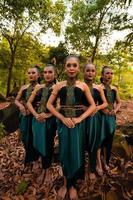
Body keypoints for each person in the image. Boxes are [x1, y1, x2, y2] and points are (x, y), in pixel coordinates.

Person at [47, 55, 96, 200]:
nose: (72, 68)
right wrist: (61, 117)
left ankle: (73, 185)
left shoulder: (83, 85)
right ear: (65, 67)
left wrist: (80, 118)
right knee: (64, 151)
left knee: (77, 151)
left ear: (79, 67)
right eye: (69, 65)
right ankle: (65, 183)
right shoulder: (59, 85)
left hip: (78, 124)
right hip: (63, 123)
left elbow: (93, 105)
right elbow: (49, 104)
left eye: (75, 65)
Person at [27, 64, 57, 184]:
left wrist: (49, 115)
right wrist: (35, 115)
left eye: (50, 72)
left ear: (54, 74)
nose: (47, 75)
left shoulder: (57, 87)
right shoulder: (38, 87)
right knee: (37, 142)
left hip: (50, 121)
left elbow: (59, 106)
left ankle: (47, 170)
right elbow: (29, 103)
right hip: (37, 120)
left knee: (48, 144)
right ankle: (40, 164)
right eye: (45, 72)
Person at [83, 62, 107, 180]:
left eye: (92, 70)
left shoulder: (99, 87)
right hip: (81, 118)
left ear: (96, 73)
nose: (90, 73)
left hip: (94, 118)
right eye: (88, 70)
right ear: (83, 72)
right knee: (81, 143)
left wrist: (96, 108)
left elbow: (105, 103)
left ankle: (92, 168)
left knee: (94, 143)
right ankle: (80, 169)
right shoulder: (79, 85)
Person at [15, 66, 40, 167]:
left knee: (34, 137)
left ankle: (36, 158)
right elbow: (16, 100)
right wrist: (20, 106)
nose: (31, 75)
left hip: (35, 116)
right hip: (24, 115)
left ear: (38, 75)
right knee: (25, 136)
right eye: (29, 73)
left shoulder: (41, 87)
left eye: (33, 73)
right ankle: (28, 156)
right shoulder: (24, 87)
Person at [99, 66, 121, 172]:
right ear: (102, 75)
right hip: (101, 117)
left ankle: (106, 161)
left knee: (109, 139)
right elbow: (95, 103)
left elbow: (119, 102)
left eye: (111, 73)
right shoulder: (98, 87)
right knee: (100, 139)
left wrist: (115, 111)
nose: (110, 75)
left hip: (111, 117)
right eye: (107, 73)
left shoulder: (114, 89)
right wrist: (104, 111)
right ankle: (98, 161)